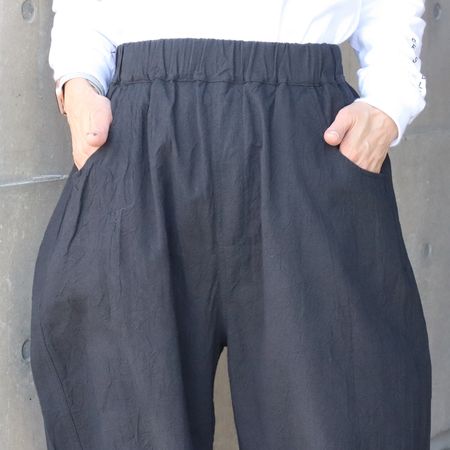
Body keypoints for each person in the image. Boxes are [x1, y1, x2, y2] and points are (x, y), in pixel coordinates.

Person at [30, 1, 431, 449]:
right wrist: (78, 81)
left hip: (307, 135)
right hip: (137, 136)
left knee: (343, 415)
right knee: (122, 422)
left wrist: (390, 101)